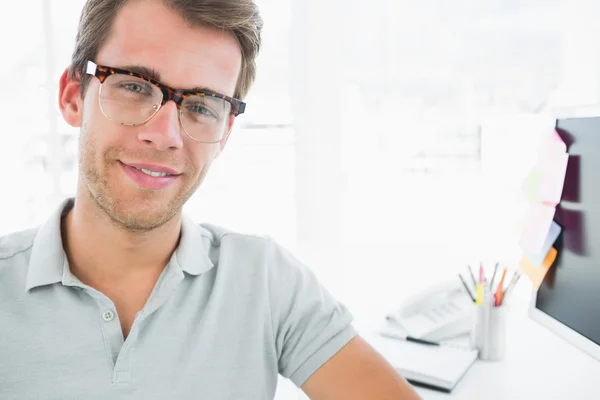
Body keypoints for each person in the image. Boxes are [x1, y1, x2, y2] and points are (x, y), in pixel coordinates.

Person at [0, 0, 421, 398]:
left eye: (202, 106)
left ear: (225, 133)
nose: (164, 135)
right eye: (134, 86)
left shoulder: (266, 283)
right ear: (73, 97)